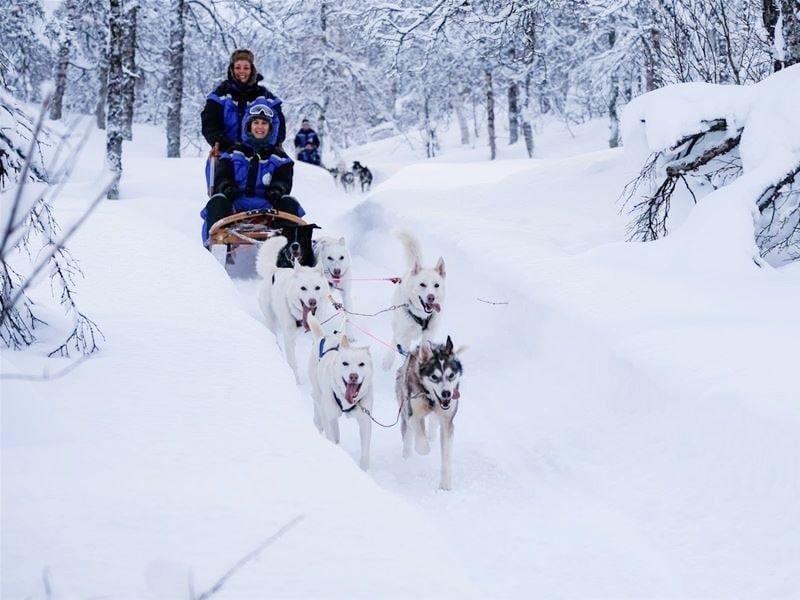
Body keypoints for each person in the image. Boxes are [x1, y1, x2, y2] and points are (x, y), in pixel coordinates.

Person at [201, 102, 305, 244]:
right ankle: (215, 249)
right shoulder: (233, 153)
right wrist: (226, 187)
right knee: (217, 201)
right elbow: (222, 177)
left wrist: (277, 189)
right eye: (256, 122)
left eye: (264, 123)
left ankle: (290, 250)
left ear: (271, 128)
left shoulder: (281, 159)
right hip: (235, 205)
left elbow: (283, 181)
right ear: (248, 125)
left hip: (268, 207)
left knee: (290, 202)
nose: (260, 127)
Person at [201, 49, 286, 152]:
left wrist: (268, 147)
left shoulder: (266, 97)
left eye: (246, 68)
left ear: (252, 70)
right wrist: (226, 145)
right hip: (226, 153)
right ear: (232, 69)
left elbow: (279, 126)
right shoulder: (219, 96)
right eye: (237, 67)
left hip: (260, 154)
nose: (242, 71)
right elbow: (209, 125)